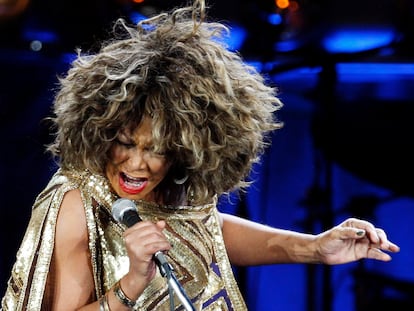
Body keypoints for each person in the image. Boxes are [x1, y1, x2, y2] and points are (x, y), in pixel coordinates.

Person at [1, 0, 400, 310]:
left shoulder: (174, 185)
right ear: (100, 130)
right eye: (125, 142)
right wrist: (132, 282)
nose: (137, 163)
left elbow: (206, 228)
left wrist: (313, 248)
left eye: (156, 149)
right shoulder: (77, 200)